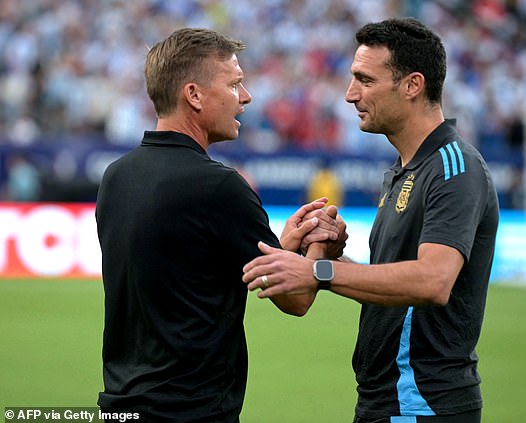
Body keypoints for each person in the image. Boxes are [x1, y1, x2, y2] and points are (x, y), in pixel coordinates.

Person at [243, 18, 499, 423]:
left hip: (422, 402)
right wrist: (317, 262)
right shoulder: (403, 170)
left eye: (365, 80)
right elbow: (392, 283)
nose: (350, 95)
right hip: (386, 400)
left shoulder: (454, 166)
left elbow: (433, 281)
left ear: (413, 85)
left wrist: (321, 272)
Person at [95, 28, 345, 423]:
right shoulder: (219, 186)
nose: (246, 98)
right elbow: (296, 300)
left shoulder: (116, 176)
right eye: (235, 84)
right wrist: (319, 238)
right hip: (191, 412)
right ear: (193, 95)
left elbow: (193, 270)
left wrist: (281, 248)